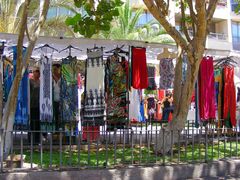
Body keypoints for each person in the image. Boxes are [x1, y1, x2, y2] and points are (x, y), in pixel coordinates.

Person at [29, 67, 40, 144]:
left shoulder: (41, 82)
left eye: (38, 72)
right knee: (32, 122)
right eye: (36, 71)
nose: (37, 73)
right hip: (31, 104)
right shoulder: (30, 81)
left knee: (37, 123)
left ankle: (37, 139)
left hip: (39, 105)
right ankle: (31, 139)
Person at [52, 64, 61, 131]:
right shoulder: (51, 78)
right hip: (53, 100)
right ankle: (55, 131)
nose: (54, 70)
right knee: (54, 116)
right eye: (53, 69)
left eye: (55, 69)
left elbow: (58, 82)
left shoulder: (62, 77)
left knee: (60, 117)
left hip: (61, 101)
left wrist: (53, 75)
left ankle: (59, 130)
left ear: (58, 69)